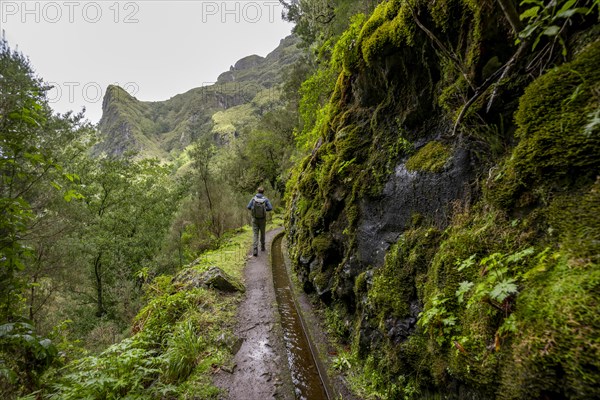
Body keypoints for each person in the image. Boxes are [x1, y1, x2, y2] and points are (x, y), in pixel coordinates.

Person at [247, 186, 273, 256]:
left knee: (255, 234)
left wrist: (253, 209)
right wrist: (264, 209)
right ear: (263, 192)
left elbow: (248, 207)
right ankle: (262, 247)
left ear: (257, 191)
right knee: (262, 233)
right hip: (263, 219)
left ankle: (255, 249)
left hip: (255, 219)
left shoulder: (253, 199)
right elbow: (270, 208)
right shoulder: (266, 199)